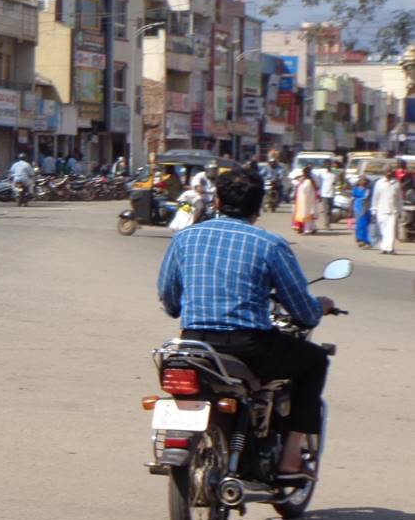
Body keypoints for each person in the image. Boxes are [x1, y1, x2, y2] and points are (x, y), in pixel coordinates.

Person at [157, 165, 337, 479]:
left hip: (195, 344)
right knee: (315, 361)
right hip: (249, 347)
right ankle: (292, 457)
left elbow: (169, 297)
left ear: (216, 202)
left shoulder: (185, 238)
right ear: (258, 208)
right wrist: (319, 308)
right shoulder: (270, 245)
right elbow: (302, 310)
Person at [372, 165, 401, 254]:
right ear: (384, 173)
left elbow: (399, 199)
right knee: (383, 230)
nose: (389, 173)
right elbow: (375, 197)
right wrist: (374, 209)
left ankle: (390, 248)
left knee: (391, 230)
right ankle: (384, 247)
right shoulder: (379, 183)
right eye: (387, 172)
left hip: (393, 211)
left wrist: (400, 210)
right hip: (381, 210)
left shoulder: (396, 183)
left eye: (390, 172)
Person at [291, 169, 319, 235]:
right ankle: (313, 228)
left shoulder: (308, 181)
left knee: (306, 216)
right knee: (308, 216)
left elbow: (304, 190)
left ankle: (307, 230)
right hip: (304, 201)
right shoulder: (308, 180)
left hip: (306, 202)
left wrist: (300, 182)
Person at [351, 176, 374, 249]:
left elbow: (369, 198)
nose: (363, 182)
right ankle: (359, 239)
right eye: (362, 180)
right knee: (359, 224)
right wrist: (351, 208)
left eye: (365, 180)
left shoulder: (368, 190)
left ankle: (367, 240)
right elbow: (352, 198)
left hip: (366, 207)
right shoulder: (355, 189)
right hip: (358, 207)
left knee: (366, 225)